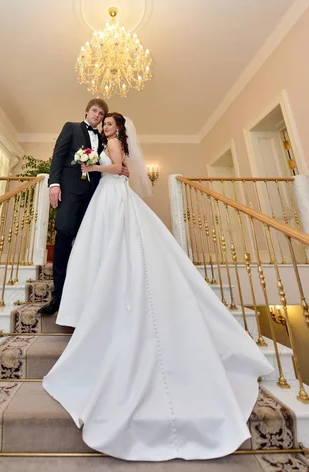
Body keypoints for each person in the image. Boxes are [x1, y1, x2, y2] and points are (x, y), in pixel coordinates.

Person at [42, 112, 273, 462]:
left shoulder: (115, 144)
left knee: (122, 244)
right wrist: (97, 166)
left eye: (109, 124)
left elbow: (119, 167)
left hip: (114, 196)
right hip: (106, 197)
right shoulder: (105, 143)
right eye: (102, 124)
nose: (105, 128)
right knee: (103, 246)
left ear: (118, 128)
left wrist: (94, 168)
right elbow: (118, 167)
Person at [37, 98, 109, 315]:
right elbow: (58, 156)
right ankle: (58, 297)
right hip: (70, 192)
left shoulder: (104, 138)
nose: (97, 115)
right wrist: (54, 184)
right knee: (64, 236)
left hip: (94, 195)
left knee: (89, 242)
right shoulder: (71, 128)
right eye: (95, 111)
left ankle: (84, 296)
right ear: (86, 111)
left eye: (101, 114)